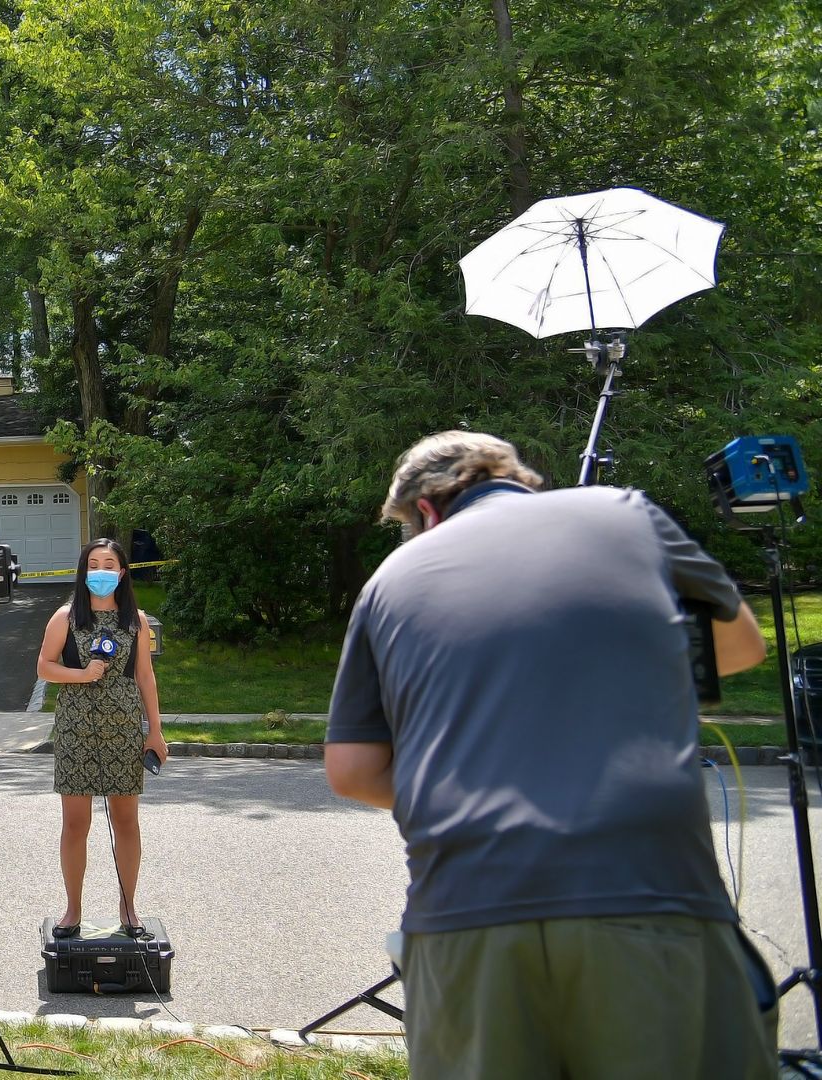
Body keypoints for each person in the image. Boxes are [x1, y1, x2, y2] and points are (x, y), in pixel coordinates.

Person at [325, 431, 778, 1078]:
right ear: (514, 475)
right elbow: (742, 646)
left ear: (425, 509)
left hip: (465, 910)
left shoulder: (389, 580)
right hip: (648, 893)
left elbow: (352, 770)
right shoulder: (625, 514)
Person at [36, 537, 166, 939]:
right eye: (94, 564)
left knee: (126, 822)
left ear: (122, 572)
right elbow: (44, 667)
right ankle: (72, 910)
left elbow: (145, 675)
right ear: (83, 571)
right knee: (76, 824)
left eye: (109, 565)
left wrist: (155, 732)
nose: (101, 572)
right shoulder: (65, 617)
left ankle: (129, 909)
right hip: (76, 727)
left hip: (124, 728)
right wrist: (82, 674)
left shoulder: (136, 620)